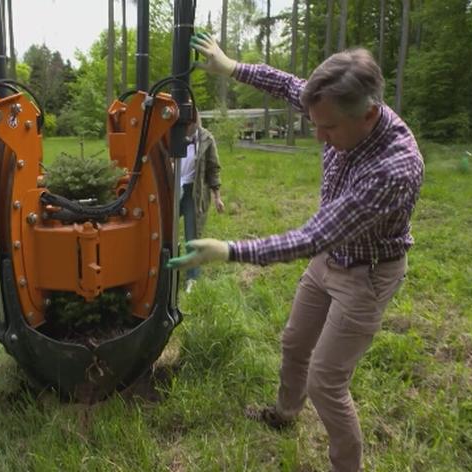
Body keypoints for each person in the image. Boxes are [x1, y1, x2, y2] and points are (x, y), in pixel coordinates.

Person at [171, 32, 424, 472]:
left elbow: (311, 237)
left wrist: (229, 250)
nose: (320, 138)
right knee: (294, 343)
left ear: (368, 115)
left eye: (329, 128)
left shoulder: (394, 169)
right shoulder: (336, 101)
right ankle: (285, 414)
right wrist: (230, 67)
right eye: (315, 124)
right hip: (329, 259)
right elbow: (288, 84)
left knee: (327, 380)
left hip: (365, 274)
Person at [178, 113, 224, 293]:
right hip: (172, 190)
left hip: (193, 193)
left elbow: (213, 169)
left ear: (196, 122)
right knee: (163, 231)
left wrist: (217, 197)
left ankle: (192, 278)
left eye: (190, 124)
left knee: (192, 235)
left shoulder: (206, 139)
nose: (187, 128)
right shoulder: (172, 133)